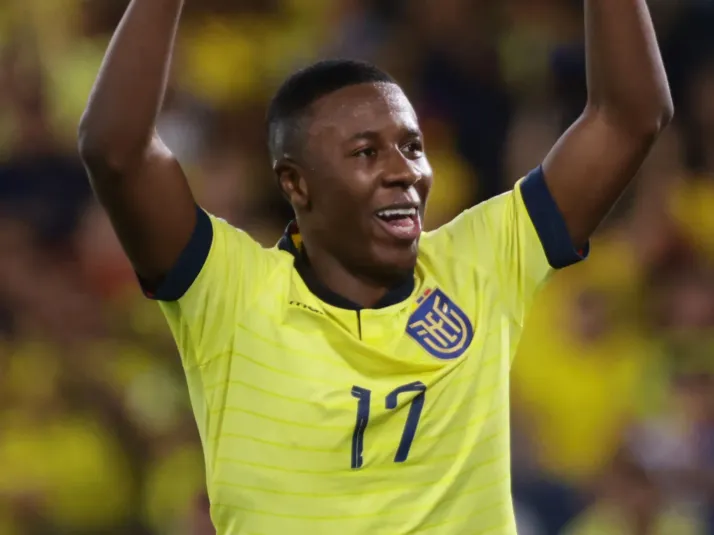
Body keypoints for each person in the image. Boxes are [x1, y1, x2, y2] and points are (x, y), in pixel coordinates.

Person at [77, 0, 672, 533]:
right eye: (366, 152)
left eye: (412, 146)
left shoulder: (483, 261)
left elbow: (630, 116)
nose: (404, 171)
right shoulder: (231, 292)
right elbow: (116, 149)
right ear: (296, 183)